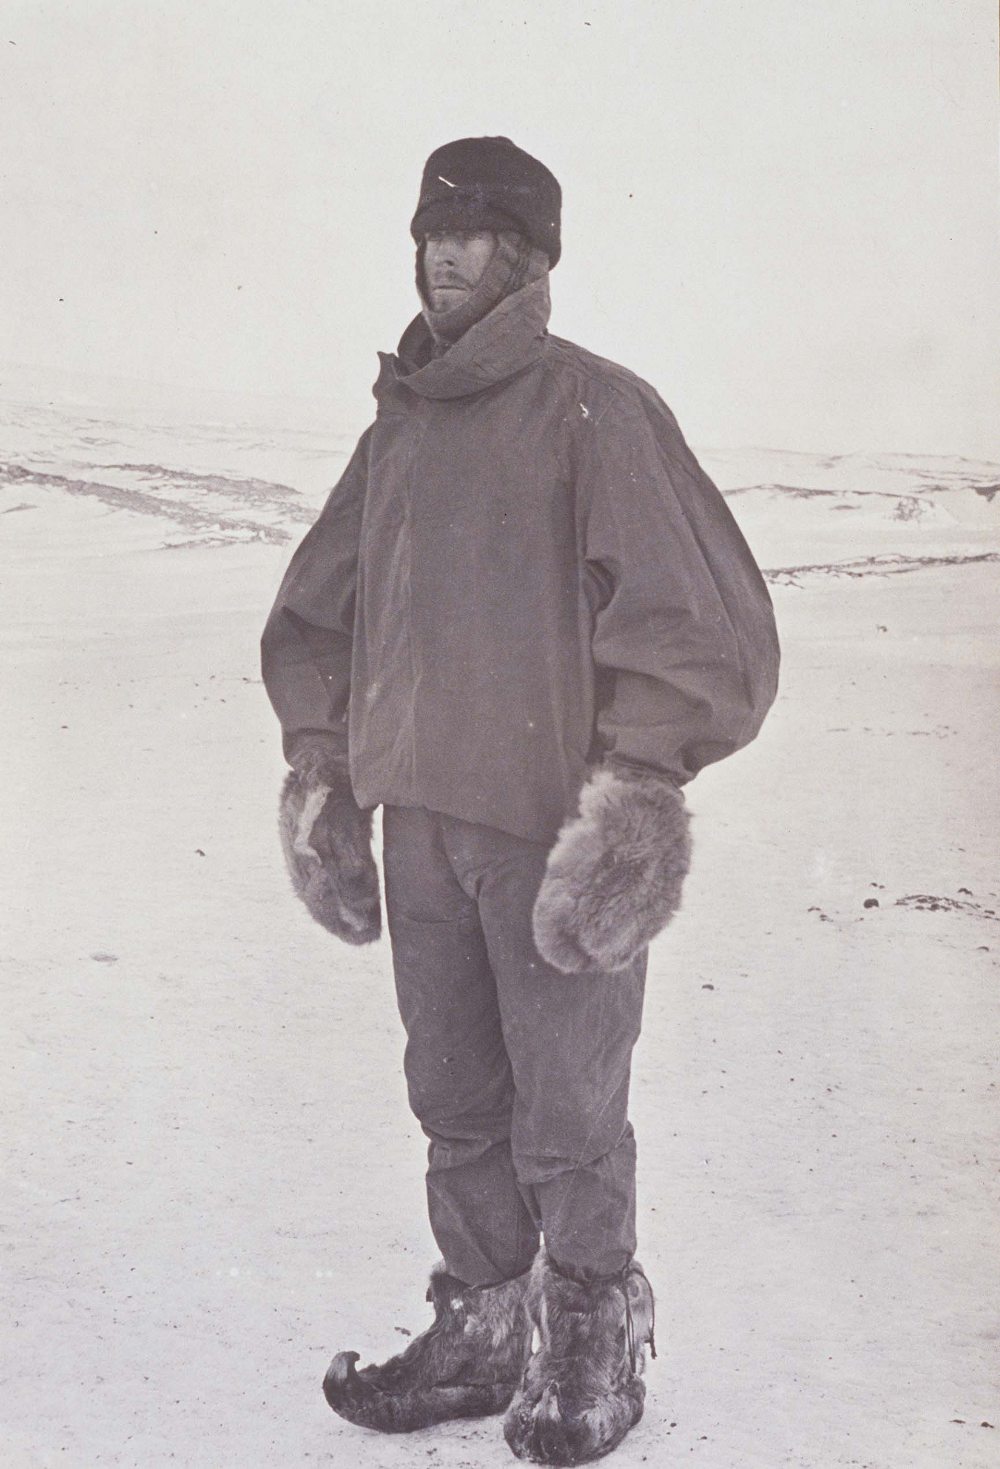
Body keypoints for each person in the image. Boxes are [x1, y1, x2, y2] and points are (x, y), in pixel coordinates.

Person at [261, 135, 779, 1465]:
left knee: (568, 1103)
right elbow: (315, 615)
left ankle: (596, 1331)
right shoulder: (401, 431)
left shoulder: (597, 409)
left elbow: (702, 626)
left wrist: (639, 794)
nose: (444, 252)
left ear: (531, 259)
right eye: (431, 230)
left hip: (548, 837)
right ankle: (487, 1325)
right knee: (454, 1095)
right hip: (418, 829)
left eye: (478, 234)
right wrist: (323, 763)